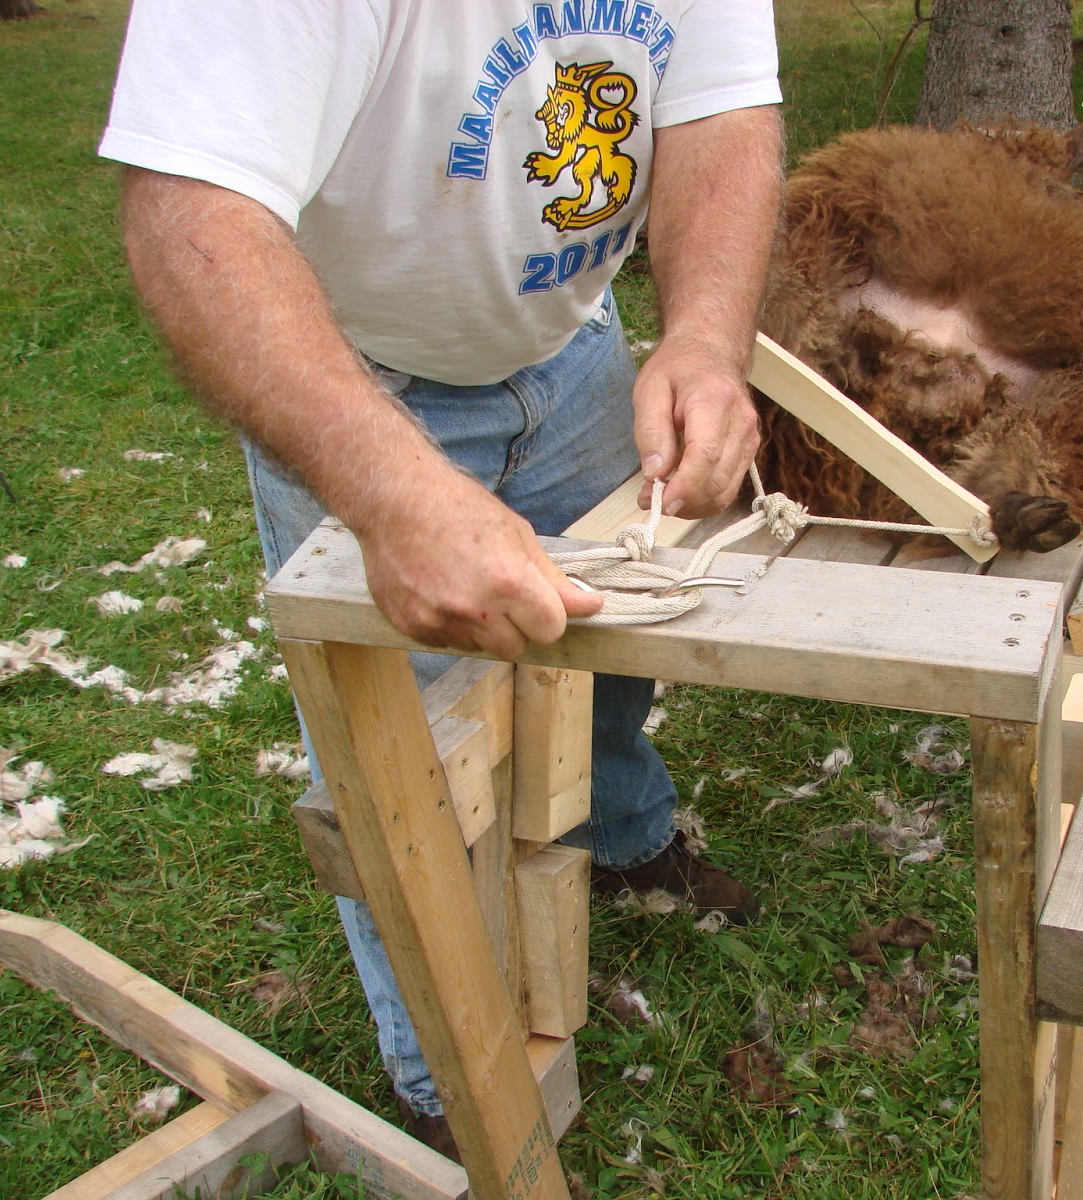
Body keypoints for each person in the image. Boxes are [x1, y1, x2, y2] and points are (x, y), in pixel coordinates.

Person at [98, 0, 783, 1154]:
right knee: (403, 765)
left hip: (571, 351)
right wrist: (386, 489)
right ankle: (450, 1078)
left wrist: (705, 338)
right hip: (359, 384)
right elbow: (191, 205)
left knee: (602, 642)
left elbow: (719, 111)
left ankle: (620, 833)